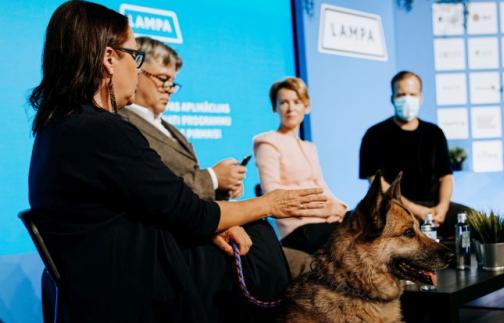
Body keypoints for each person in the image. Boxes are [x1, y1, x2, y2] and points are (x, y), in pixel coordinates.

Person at [27, 2, 327, 323]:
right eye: (133, 56)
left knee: (251, 250)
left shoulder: (64, 128)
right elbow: (191, 211)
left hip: (111, 286)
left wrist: (212, 226)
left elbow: (156, 209)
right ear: (107, 59)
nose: (137, 68)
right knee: (259, 256)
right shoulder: (101, 131)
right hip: (131, 299)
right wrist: (269, 203)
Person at [119, 37, 245, 200]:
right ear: (136, 72)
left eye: (172, 82)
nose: (169, 89)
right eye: (163, 79)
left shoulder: (170, 129)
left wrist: (223, 186)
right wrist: (213, 178)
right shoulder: (121, 123)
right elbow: (155, 188)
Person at [359, 70, 469, 238]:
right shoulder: (375, 135)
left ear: (421, 98)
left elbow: (446, 177)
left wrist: (442, 209)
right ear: (392, 98)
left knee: (476, 223)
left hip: (433, 207)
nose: (407, 99)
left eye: (412, 94)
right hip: (391, 208)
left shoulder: (434, 133)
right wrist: (417, 211)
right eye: (401, 94)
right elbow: (377, 182)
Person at [254, 77, 348, 254]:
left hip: (324, 223)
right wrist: (324, 210)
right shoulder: (267, 143)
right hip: (298, 230)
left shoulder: (309, 147)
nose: (290, 108)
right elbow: (273, 196)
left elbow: (322, 187)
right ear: (275, 108)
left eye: (296, 102)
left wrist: (339, 207)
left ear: (307, 106)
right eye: (283, 102)